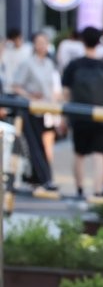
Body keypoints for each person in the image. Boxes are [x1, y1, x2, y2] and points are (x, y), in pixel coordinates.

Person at [62, 26, 103, 199]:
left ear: (82, 41)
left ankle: (79, 189)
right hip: (102, 116)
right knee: (100, 155)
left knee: (79, 154)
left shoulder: (73, 65)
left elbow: (65, 92)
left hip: (79, 115)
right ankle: (97, 191)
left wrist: (66, 115)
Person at [10, 32, 61, 193]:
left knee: (46, 145)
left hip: (46, 110)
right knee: (35, 145)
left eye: (44, 43)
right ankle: (44, 178)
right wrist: (30, 96)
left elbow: (52, 89)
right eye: (39, 42)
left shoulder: (49, 64)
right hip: (30, 110)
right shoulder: (28, 63)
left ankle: (41, 178)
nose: (42, 46)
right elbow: (16, 86)